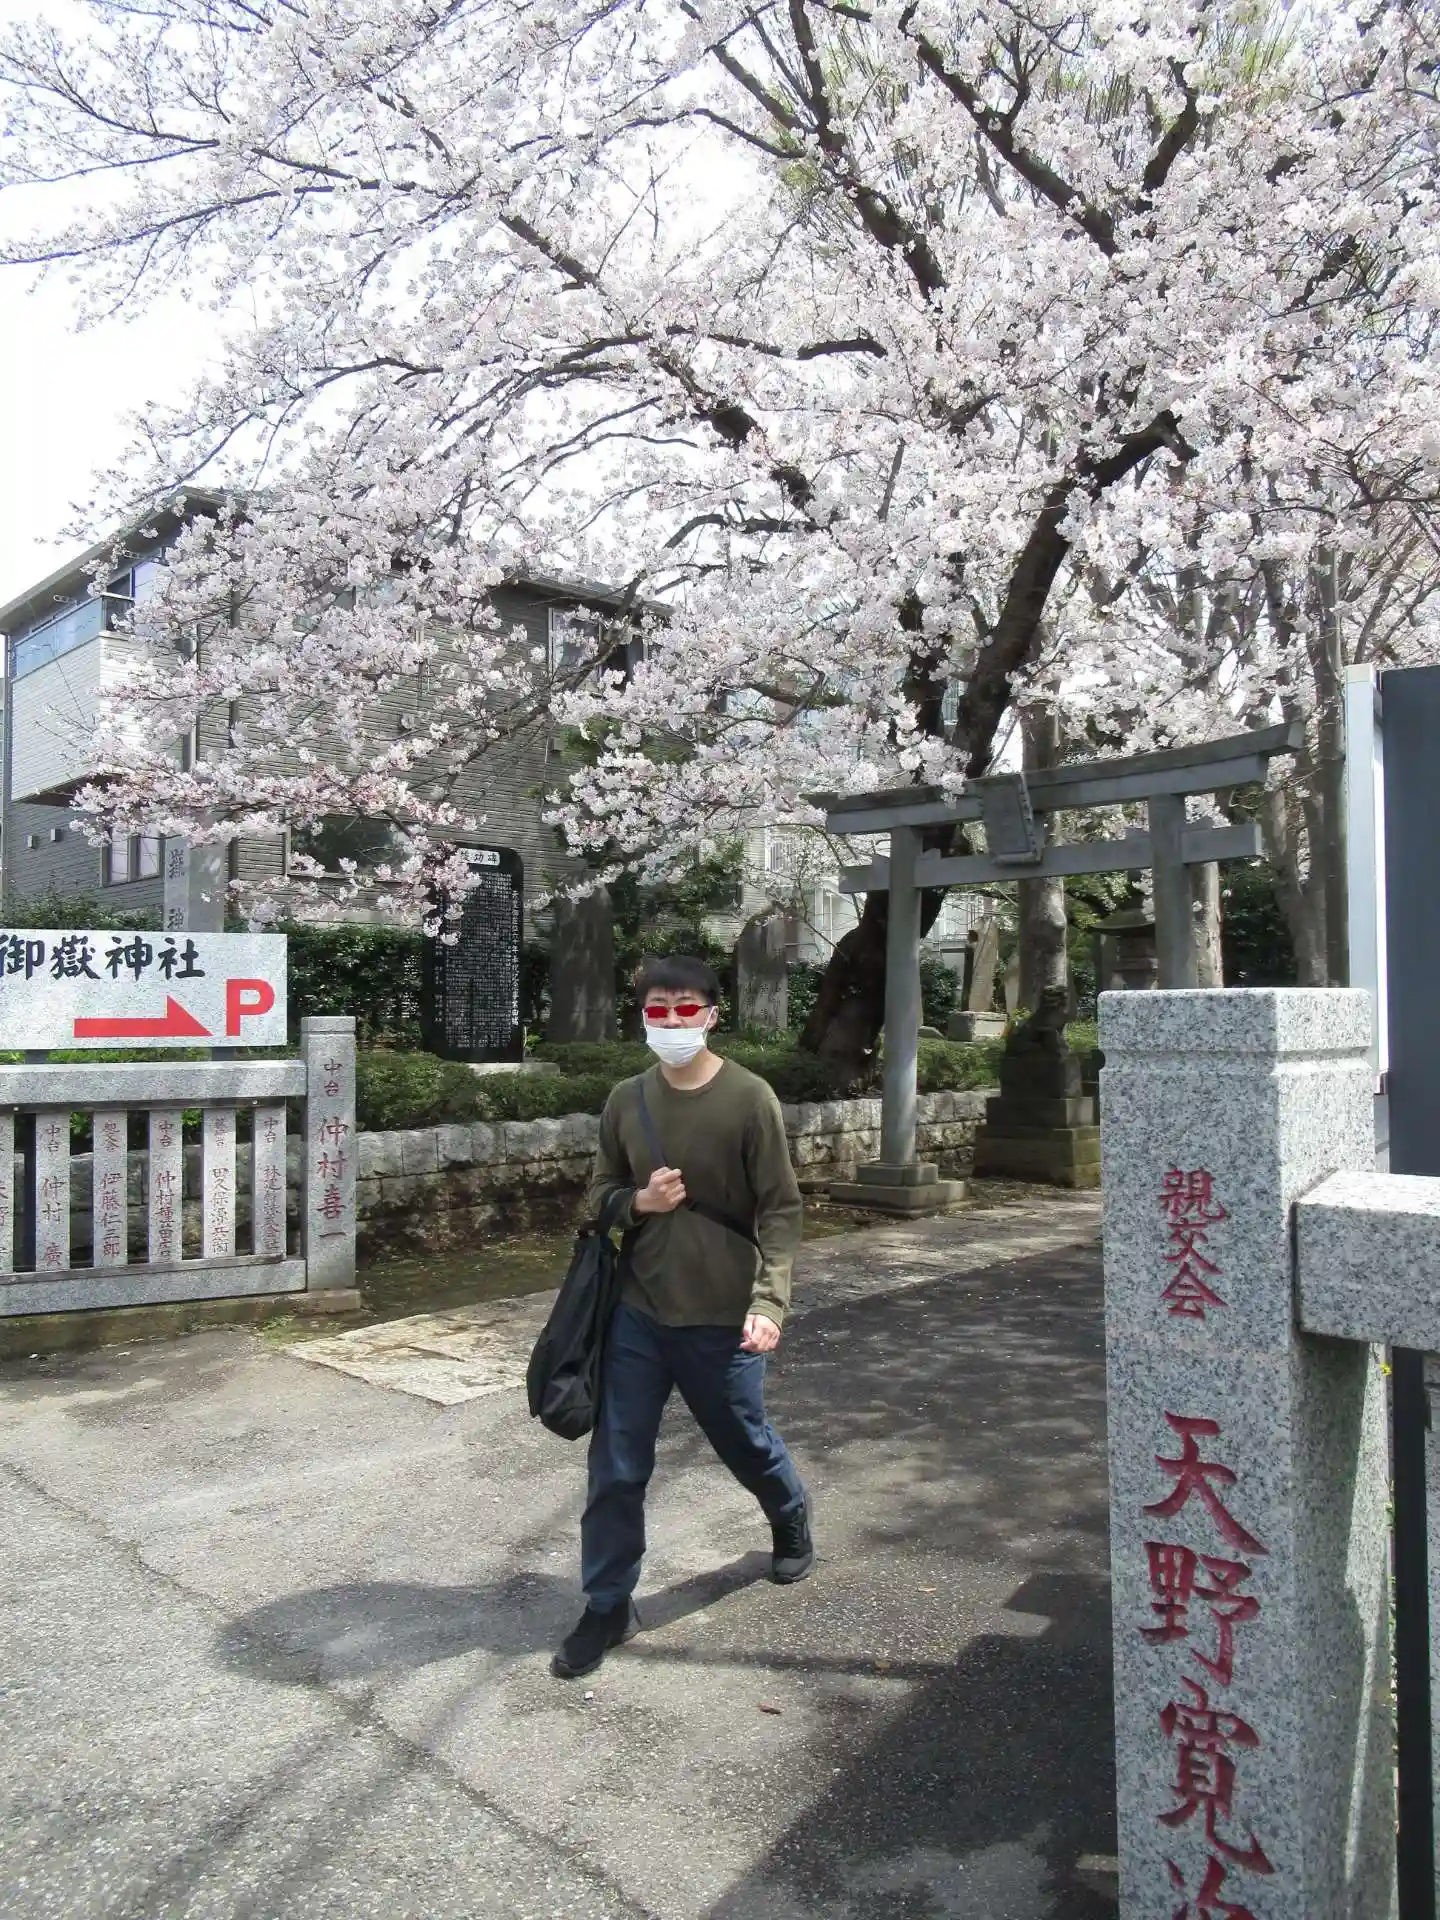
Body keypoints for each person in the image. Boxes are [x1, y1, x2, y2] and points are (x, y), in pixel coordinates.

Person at [551, 953, 813, 1680]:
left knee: (744, 1440)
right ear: (642, 1018)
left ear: (712, 1015)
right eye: (657, 1011)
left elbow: (780, 1209)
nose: (671, 1022)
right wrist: (638, 1202)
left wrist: (770, 1300)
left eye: (685, 1009)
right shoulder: (626, 1099)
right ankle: (607, 1603)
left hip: (723, 1316)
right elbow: (598, 1192)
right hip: (636, 1312)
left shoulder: (749, 1099)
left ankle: (788, 1511)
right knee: (616, 1465)